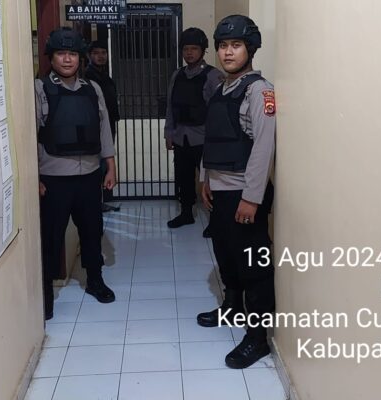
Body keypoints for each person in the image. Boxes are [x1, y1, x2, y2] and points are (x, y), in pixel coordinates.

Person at [197, 15, 276, 369]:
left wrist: (252, 198)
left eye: (236, 45)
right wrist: (205, 179)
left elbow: (263, 147)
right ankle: (231, 308)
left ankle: (257, 339)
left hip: (244, 193)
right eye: (223, 46)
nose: (228, 52)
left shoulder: (259, 91)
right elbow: (212, 139)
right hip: (219, 189)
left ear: (250, 49)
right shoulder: (221, 89)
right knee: (227, 257)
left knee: (254, 267)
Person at [36, 28, 117, 321]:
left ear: (80, 58)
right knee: (51, 237)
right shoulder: (40, 89)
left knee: (92, 231)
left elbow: (104, 126)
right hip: (54, 178)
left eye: (72, 54)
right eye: (61, 53)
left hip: (89, 174)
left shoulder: (91, 88)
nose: (67, 59)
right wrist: (35, 177)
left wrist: (110, 164)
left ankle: (95, 280)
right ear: (52, 57)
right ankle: (45, 294)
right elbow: (29, 134)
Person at [164, 27, 223, 236]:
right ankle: (186, 213)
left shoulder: (213, 76)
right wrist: (168, 133)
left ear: (203, 50)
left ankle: (216, 221)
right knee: (184, 178)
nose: (189, 53)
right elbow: (170, 106)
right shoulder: (177, 75)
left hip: (205, 139)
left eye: (194, 49)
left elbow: (219, 112)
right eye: (185, 49)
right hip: (181, 137)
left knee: (211, 181)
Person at [84, 40, 121, 212]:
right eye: (96, 53)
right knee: (98, 164)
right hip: (95, 127)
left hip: (109, 123)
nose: (100, 56)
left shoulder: (105, 77)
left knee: (104, 163)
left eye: (103, 53)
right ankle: (95, 202)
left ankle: (101, 200)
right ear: (89, 55)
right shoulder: (88, 77)